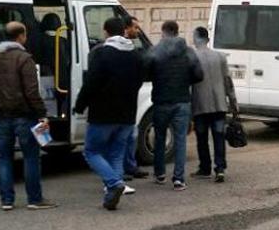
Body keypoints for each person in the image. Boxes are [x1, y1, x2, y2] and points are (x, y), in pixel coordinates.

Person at [0, 21, 57, 211]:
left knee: (4, 158)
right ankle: (34, 199)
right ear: (21, 36)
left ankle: (7, 201)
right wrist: (42, 114)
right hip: (24, 116)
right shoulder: (24, 59)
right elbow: (32, 91)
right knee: (31, 157)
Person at [75, 17, 143, 210]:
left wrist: (80, 105)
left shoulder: (102, 54)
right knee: (116, 153)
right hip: (127, 114)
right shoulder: (135, 54)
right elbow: (138, 81)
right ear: (124, 31)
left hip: (103, 113)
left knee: (92, 151)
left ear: (105, 32)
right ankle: (112, 194)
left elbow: (91, 83)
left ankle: (114, 183)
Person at [145, 21, 203, 191]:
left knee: (160, 138)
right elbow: (199, 75)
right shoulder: (188, 52)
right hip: (182, 101)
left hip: (161, 100)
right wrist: (186, 81)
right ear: (177, 32)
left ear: (163, 32)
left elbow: (146, 72)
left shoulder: (154, 51)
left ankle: (160, 173)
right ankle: (178, 179)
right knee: (180, 140)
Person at [191, 27, 239, 183]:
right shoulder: (220, 57)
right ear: (208, 39)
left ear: (196, 39)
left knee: (202, 137)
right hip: (219, 104)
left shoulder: (192, 57)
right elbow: (228, 82)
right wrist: (233, 104)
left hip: (200, 104)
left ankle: (205, 167)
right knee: (218, 137)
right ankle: (220, 169)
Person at [121, 16, 149, 181]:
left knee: (131, 134)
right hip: (121, 98)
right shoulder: (124, 48)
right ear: (127, 28)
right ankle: (123, 170)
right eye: (136, 28)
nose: (138, 31)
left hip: (129, 98)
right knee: (124, 136)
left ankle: (130, 166)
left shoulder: (132, 46)